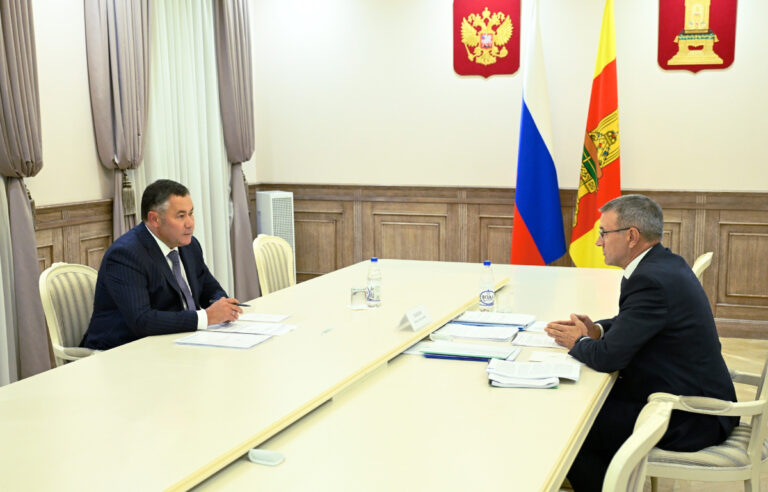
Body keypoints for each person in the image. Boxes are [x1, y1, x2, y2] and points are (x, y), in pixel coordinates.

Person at [545, 194, 737, 492]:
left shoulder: (651, 280)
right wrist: (597, 330)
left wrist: (577, 342)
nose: (598, 242)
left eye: (604, 233)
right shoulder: (661, 264)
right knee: (580, 411)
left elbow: (608, 358)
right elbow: (633, 320)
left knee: (573, 429)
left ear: (631, 236)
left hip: (694, 414)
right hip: (679, 392)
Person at [81, 179, 243, 350]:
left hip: (178, 341)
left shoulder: (189, 246)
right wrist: (206, 317)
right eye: (181, 216)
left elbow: (209, 288)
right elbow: (142, 320)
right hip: (124, 351)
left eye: (191, 213)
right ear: (155, 219)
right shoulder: (126, 254)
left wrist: (222, 304)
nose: (190, 223)